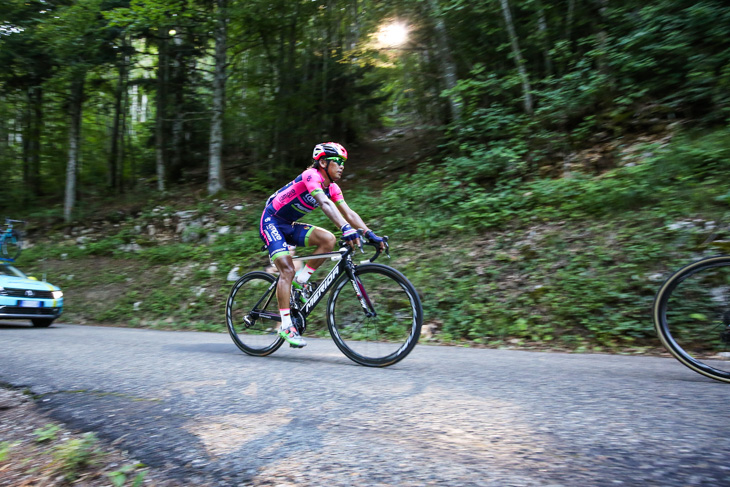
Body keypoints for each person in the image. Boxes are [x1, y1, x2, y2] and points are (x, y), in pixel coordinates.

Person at [259, 142, 385, 348]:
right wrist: (345, 228)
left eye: (344, 162)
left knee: (328, 240)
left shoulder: (333, 187)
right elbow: (325, 204)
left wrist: (370, 234)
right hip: (271, 221)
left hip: (288, 225)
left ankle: (302, 279)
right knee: (286, 270)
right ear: (323, 162)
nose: (342, 166)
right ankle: (286, 326)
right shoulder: (311, 176)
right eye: (338, 162)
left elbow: (349, 213)